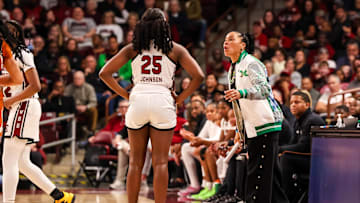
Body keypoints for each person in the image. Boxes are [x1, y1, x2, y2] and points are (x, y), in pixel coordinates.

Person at [99, 8, 204, 203]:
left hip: (138, 97)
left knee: (135, 163)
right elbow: (199, 76)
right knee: (161, 162)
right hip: (163, 99)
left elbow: (104, 73)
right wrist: (180, 98)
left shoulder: (133, 48)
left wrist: (125, 94)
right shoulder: (175, 49)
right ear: (164, 26)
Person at [1, 20, 75, 203]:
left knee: (8, 160)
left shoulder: (23, 53)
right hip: (23, 107)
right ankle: (60, 196)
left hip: (24, 105)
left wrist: (11, 100)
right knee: (22, 162)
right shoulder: (7, 56)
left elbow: (35, 86)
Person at [223, 31, 288, 203]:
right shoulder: (233, 67)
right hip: (253, 125)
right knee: (271, 177)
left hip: (265, 123)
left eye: (231, 39)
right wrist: (240, 129)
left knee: (258, 174)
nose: (225, 43)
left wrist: (242, 92)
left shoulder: (251, 63)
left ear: (243, 45)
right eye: (224, 40)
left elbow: (265, 89)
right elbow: (239, 106)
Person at [280, 91, 325, 201]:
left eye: (297, 102)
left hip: (317, 160)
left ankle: (287, 198)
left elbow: (303, 147)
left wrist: (279, 149)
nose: (293, 105)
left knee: (286, 158)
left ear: (307, 105)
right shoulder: (297, 121)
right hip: (306, 157)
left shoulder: (312, 120)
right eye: (291, 103)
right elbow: (293, 144)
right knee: (280, 156)